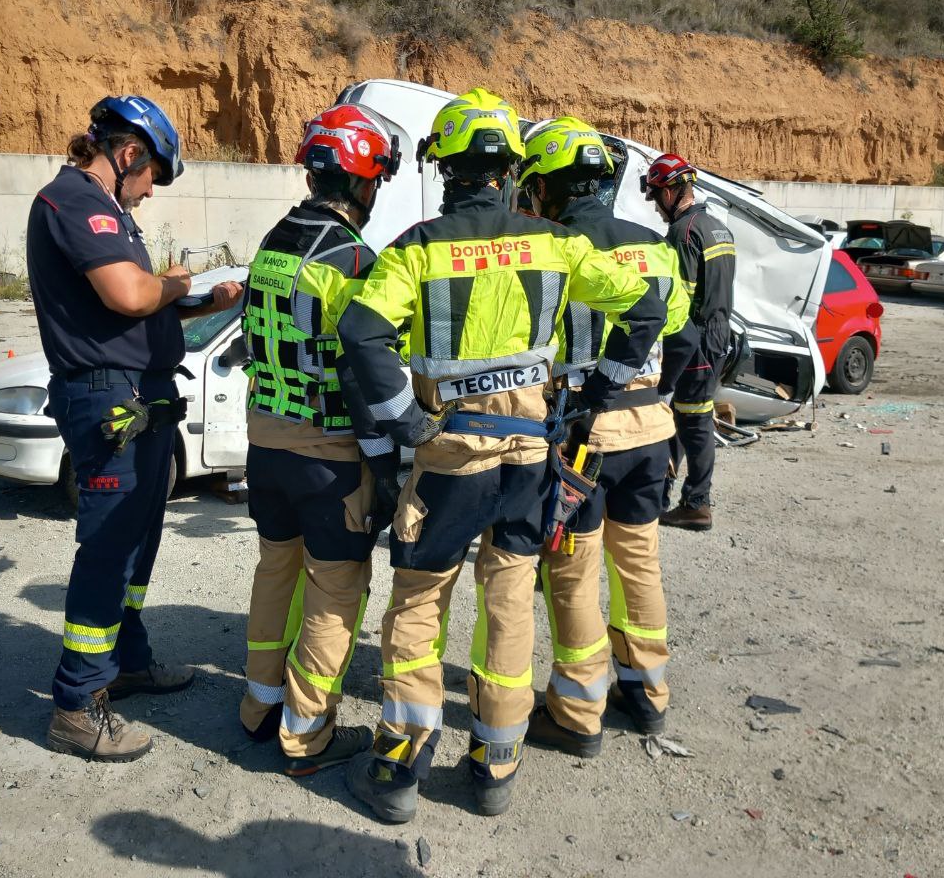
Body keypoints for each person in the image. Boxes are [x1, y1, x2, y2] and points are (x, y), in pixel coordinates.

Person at [336, 89, 666, 822]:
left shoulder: (418, 247)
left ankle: (399, 767)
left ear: (445, 166)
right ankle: (496, 761)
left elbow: (361, 334)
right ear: (512, 170)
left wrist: (406, 425)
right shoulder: (556, 244)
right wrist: (599, 392)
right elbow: (644, 307)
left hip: (450, 454)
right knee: (511, 599)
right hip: (528, 456)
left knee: (420, 603)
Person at [27, 95, 243, 761]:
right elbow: (130, 295)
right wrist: (176, 284)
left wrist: (197, 297)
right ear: (128, 155)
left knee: (138, 539)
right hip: (107, 399)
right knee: (109, 545)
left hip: (139, 398)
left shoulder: (110, 215)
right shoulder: (75, 203)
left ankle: (125, 661)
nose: (149, 193)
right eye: (151, 177)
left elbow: (133, 314)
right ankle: (75, 703)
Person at [514, 119, 698, 756]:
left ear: (546, 189)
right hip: (651, 427)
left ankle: (577, 710)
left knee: (573, 572)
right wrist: (659, 395)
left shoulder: (551, 247)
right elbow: (687, 337)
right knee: (639, 561)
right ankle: (647, 693)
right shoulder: (655, 244)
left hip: (582, 434)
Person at [236, 104, 403, 777]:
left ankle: (259, 709)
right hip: (329, 459)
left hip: (265, 446)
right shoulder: (355, 260)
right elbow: (367, 372)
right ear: (364, 182)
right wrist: (391, 462)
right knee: (335, 589)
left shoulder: (272, 244)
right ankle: (306, 739)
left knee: (275, 571)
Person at [642, 153, 736, 532]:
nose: (656, 206)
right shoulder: (717, 227)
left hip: (694, 338)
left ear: (671, 190)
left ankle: (697, 503)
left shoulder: (683, 232)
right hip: (718, 333)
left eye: (656, 196)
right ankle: (665, 495)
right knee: (686, 416)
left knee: (693, 422)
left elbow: (678, 299)